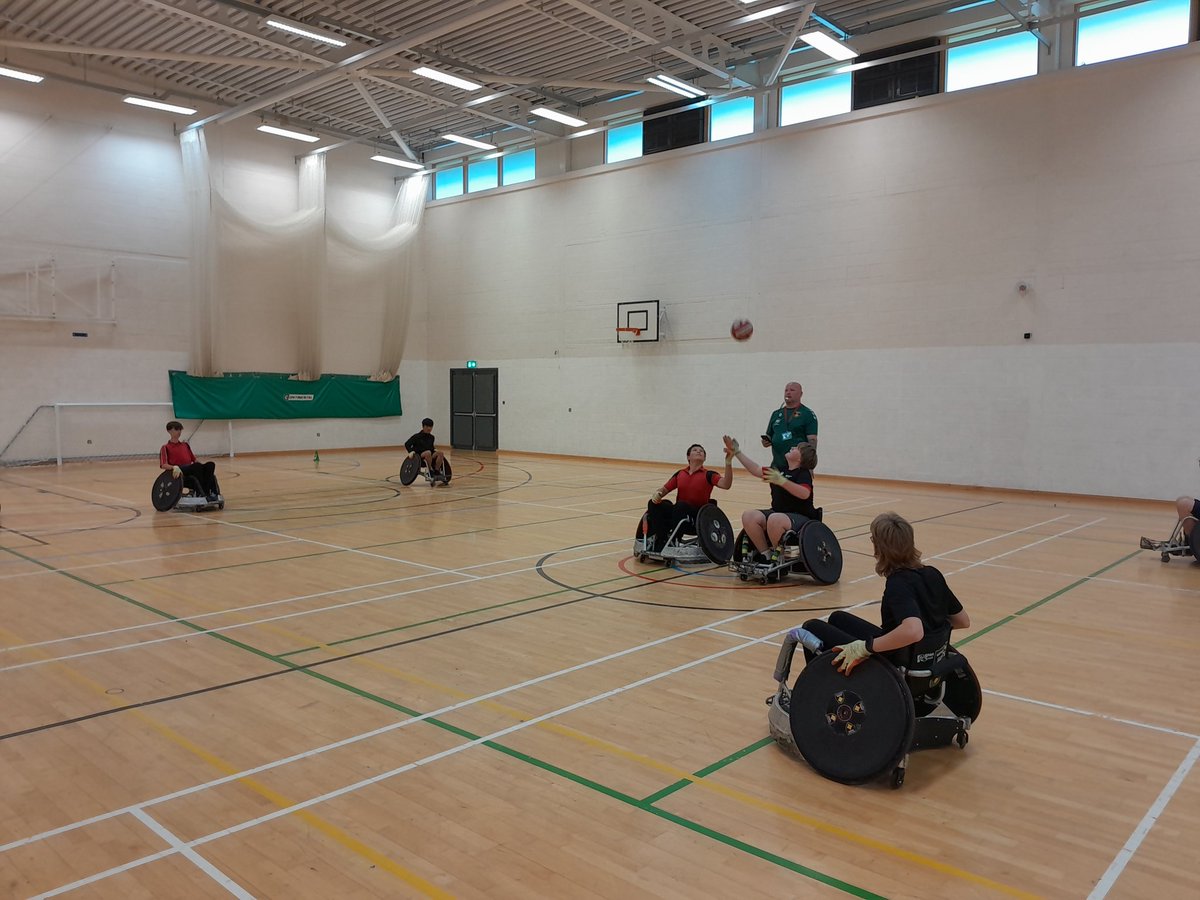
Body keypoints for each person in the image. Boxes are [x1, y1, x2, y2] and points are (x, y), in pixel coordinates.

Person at [801, 512, 970, 675]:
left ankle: (824, 688)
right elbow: (962, 620)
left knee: (811, 628)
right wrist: (931, 636)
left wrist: (867, 647)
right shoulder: (932, 574)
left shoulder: (898, 584)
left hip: (893, 664)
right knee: (837, 618)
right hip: (919, 658)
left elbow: (914, 631)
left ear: (880, 548)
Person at [724, 434, 817, 564]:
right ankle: (766, 555)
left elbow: (804, 493)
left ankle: (780, 558)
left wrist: (781, 481)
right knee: (749, 516)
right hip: (778, 512)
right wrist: (737, 452)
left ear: (801, 458)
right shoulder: (779, 470)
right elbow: (755, 469)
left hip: (800, 517)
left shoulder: (803, 473)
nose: (792, 447)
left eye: (797, 448)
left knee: (775, 519)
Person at [644, 443, 733, 551]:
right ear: (688, 457)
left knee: (681, 505)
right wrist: (658, 494)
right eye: (695, 450)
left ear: (704, 458)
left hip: (696, 517)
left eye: (701, 451)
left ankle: (674, 539)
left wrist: (728, 462)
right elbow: (664, 489)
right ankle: (662, 538)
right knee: (653, 503)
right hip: (678, 512)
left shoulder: (709, 474)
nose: (699, 451)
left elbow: (726, 484)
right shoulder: (680, 474)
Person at [762, 382, 818, 471]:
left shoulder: (807, 414)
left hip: (797, 468)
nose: (788, 392)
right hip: (777, 466)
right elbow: (769, 436)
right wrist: (765, 442)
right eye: (786, 390)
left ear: (801, 394)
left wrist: (810, 465)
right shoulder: (776, 414)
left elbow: (812, 441)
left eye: (792, 390)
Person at [159, 421, 219, 501]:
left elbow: (194, 460)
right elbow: (163, 465)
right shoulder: (165, 447)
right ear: (169, 431)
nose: (179, 432)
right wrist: (174, 467)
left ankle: (211, 492)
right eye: (176, 429)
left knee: (210, 464)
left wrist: (203, 467)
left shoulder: (185, 445)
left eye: (180, 429)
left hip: (191, 468)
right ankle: (201, 492)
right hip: (179, 470)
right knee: (196, 467)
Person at [404, 418, 448, 483]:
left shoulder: (432, 437)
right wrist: (411, 452)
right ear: (423, 426)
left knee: (440, 453)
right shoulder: (416, 436)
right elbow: (407, 444)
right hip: (419, 457)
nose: (429, 428)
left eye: (430, 427)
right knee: (428, 452)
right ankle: (430, 471)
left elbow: (431, 447)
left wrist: (434, 449)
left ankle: (436, 471)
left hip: (430, 455)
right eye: (427, 426)